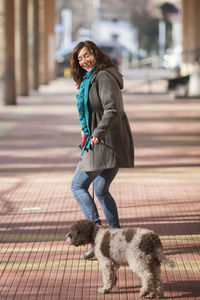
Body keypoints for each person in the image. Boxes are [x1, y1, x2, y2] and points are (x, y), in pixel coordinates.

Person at [70, 40, 134, 259]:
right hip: (105, 140)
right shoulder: (91, 78)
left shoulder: (104, 76)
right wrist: (86, 130)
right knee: (100, 189)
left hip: (105, 142)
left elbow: (112, 108)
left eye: (87, 55)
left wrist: (96, 133)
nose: (84, 61)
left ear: (96, 54)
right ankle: (117, 240)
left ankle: (98, 237)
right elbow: (93, 110)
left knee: (78, 186)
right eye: (80, 58)